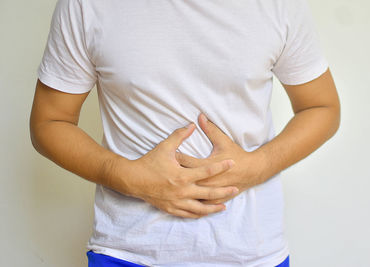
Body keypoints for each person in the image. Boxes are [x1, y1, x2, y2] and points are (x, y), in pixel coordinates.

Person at [29, 0, 340, 266]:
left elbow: (322, 108)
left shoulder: (276, 5)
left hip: (252, 254)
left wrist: (257, 167)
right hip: (127, 252)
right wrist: (130, 178)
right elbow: (49, 122)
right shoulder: (87, 5)